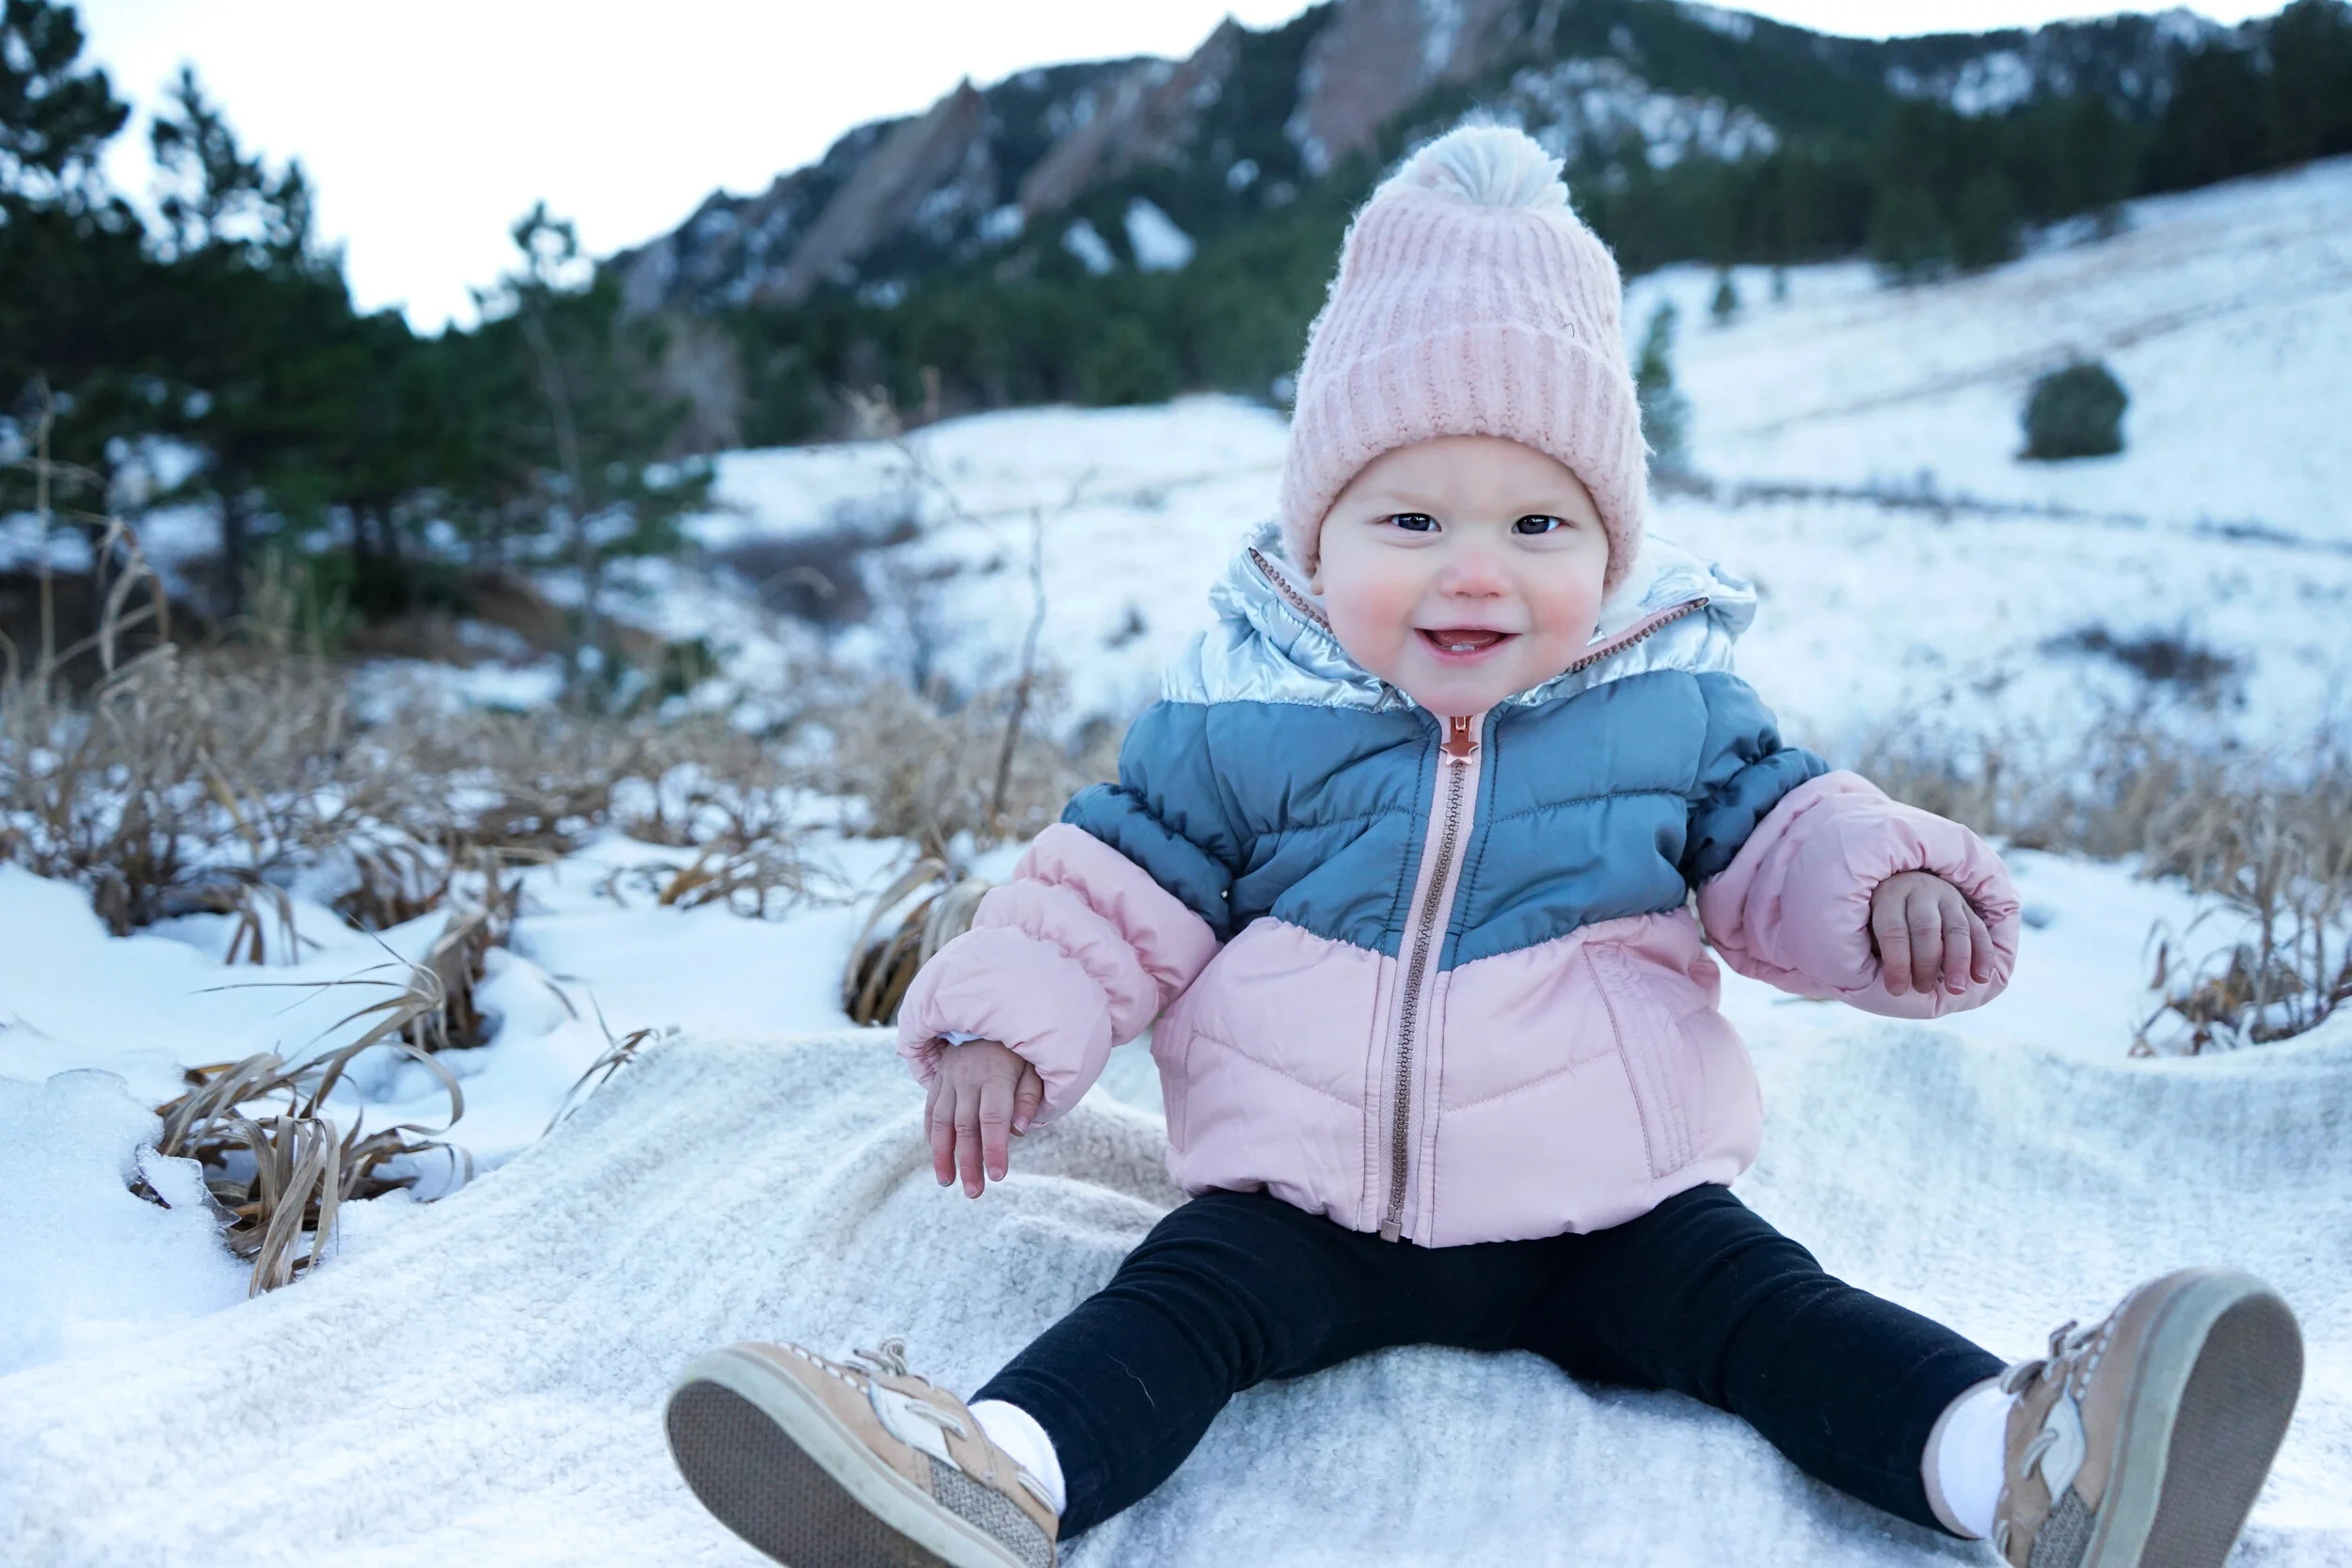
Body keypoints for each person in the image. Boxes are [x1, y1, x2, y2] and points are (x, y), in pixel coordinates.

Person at [662, 125, 2303, 1568]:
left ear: (1611, 546)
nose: (1475, 570)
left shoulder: (1672, 707)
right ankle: (988, 1474)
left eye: (1537, 524)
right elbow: (1112, 883)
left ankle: (2019, 1465)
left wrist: (1891, 888)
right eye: (1412, 519)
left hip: (1612, 1204)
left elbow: (1788, 835)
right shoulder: (1245, 709)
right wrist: (1007, 1023)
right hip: (1303, 1204)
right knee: (1169, 1311)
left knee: (1772, 1313)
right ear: (1318, 538)